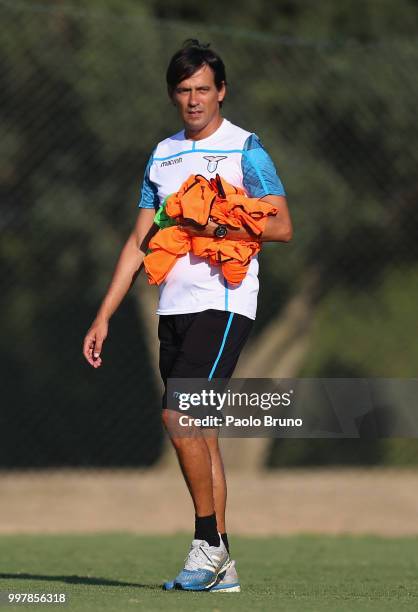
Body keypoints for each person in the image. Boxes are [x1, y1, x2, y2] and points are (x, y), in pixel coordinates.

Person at [82, 39, 293, 593]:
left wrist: (219, 225)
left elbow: (281, 226)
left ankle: (208, 544)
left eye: (203, 89)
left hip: (224, 301)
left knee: (180, 418)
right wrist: (103, 315)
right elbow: (138, 241)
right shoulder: (162, 154)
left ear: (221, 91)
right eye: (184, 90)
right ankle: (222, 568)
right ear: (174, 95)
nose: (194, 99)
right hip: (172, 305)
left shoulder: (246, 149)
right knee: (200, 431)